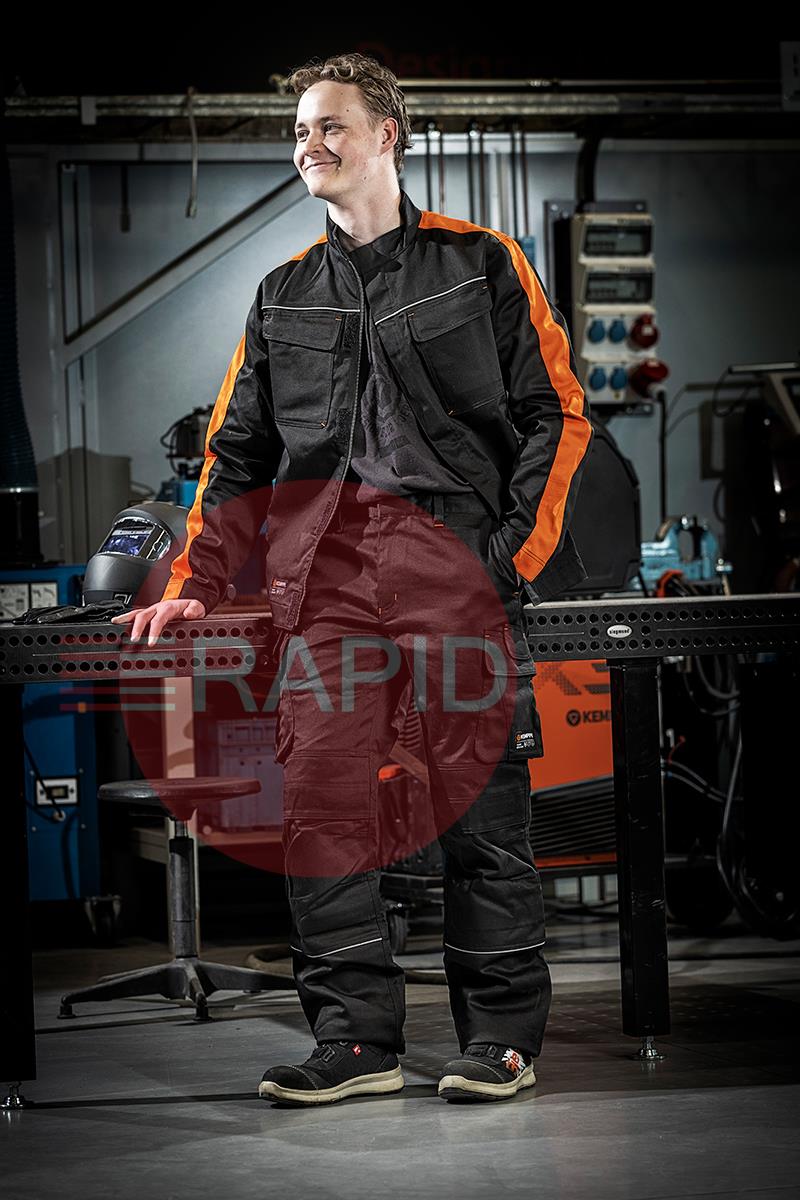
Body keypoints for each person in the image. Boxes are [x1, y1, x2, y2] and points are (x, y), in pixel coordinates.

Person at [113, 51, 593, 1106]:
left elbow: (556, 414)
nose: (309, 144)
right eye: (299, 130)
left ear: (387, 135)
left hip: (454, 573)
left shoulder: (481, 263)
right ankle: (357, 1043)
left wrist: (505, 557)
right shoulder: (283, 293)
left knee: (479, 818)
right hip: (326, 588)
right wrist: (195, 578)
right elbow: (235, 456)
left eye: (329, 124)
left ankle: (500, 1040)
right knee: (322, 811)